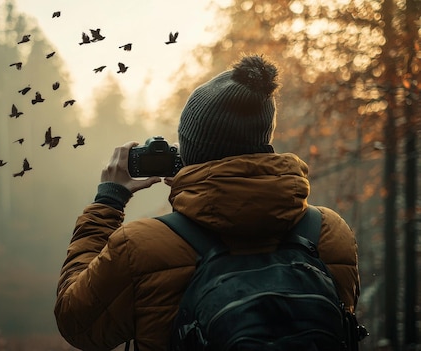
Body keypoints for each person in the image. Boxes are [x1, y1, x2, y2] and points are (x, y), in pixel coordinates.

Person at [54, 54, 360, 351]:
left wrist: (108, 201)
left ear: (189, 152)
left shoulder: (140, 248)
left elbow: (77, 325)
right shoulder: (329, 233)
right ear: (265, 138)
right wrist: (196, 191)